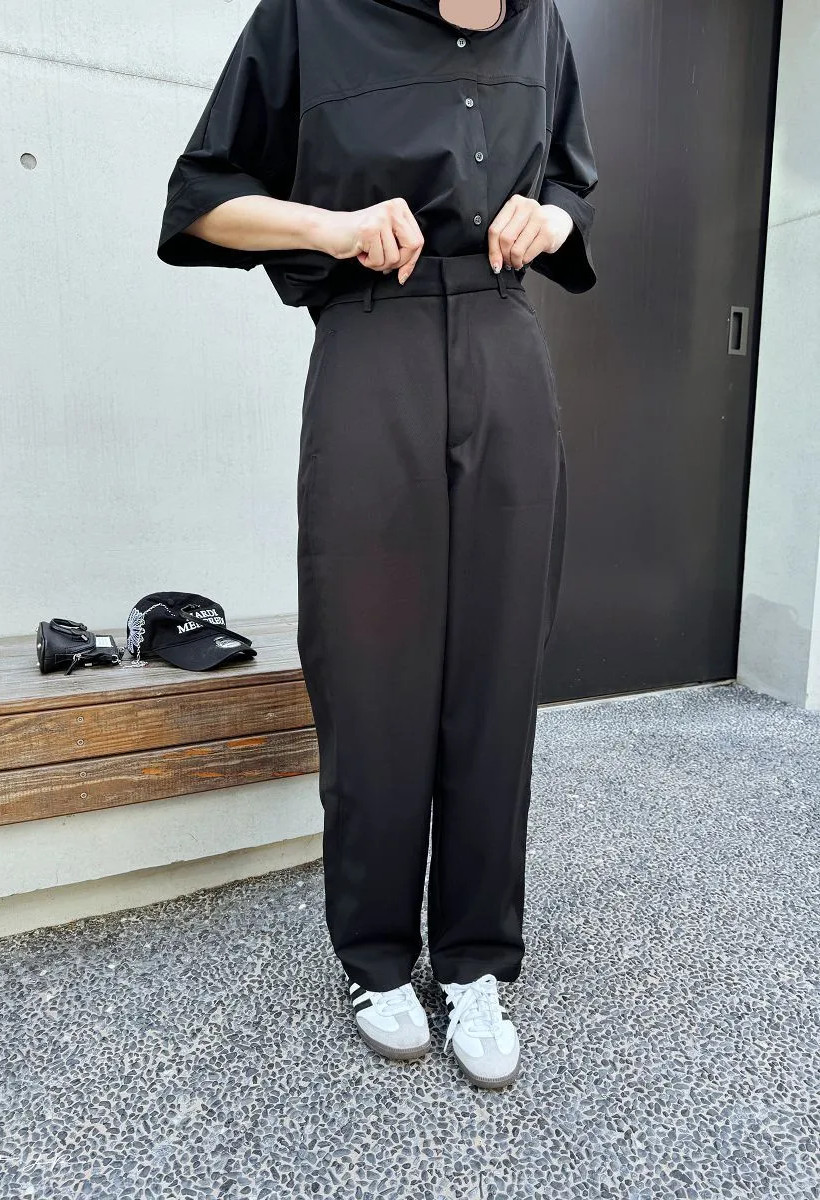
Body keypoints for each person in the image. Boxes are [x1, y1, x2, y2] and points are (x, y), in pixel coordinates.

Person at [156, 0, 598, 1090]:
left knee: (497, 666)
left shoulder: (540, 25)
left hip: (503, 340)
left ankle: (478, 960)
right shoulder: (312, 16)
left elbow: (571, 185)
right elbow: (202, 198)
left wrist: (551, 221)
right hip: (371, 333)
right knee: (369, 663)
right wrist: (332, 228)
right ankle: (376, 957)